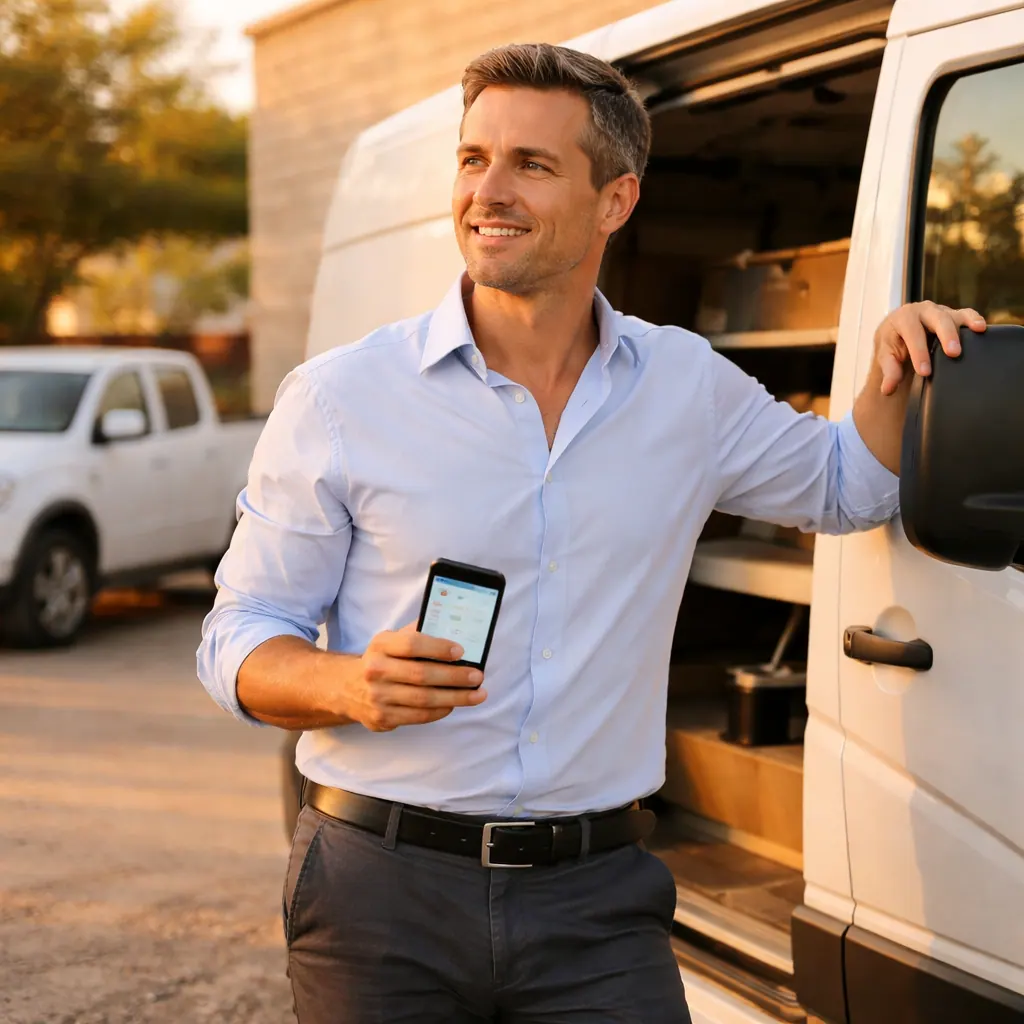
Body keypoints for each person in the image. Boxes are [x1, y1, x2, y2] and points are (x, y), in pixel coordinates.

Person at [197, 42, 985, 1024]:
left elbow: (842, 487)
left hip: (597, 900)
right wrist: (346, 682)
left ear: (615, 201)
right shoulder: (341, 397)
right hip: (380, 890)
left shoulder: (684, 386)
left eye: (531, 164)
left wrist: (896, 366)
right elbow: (238, 638)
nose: (488, 190)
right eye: (473, 158)